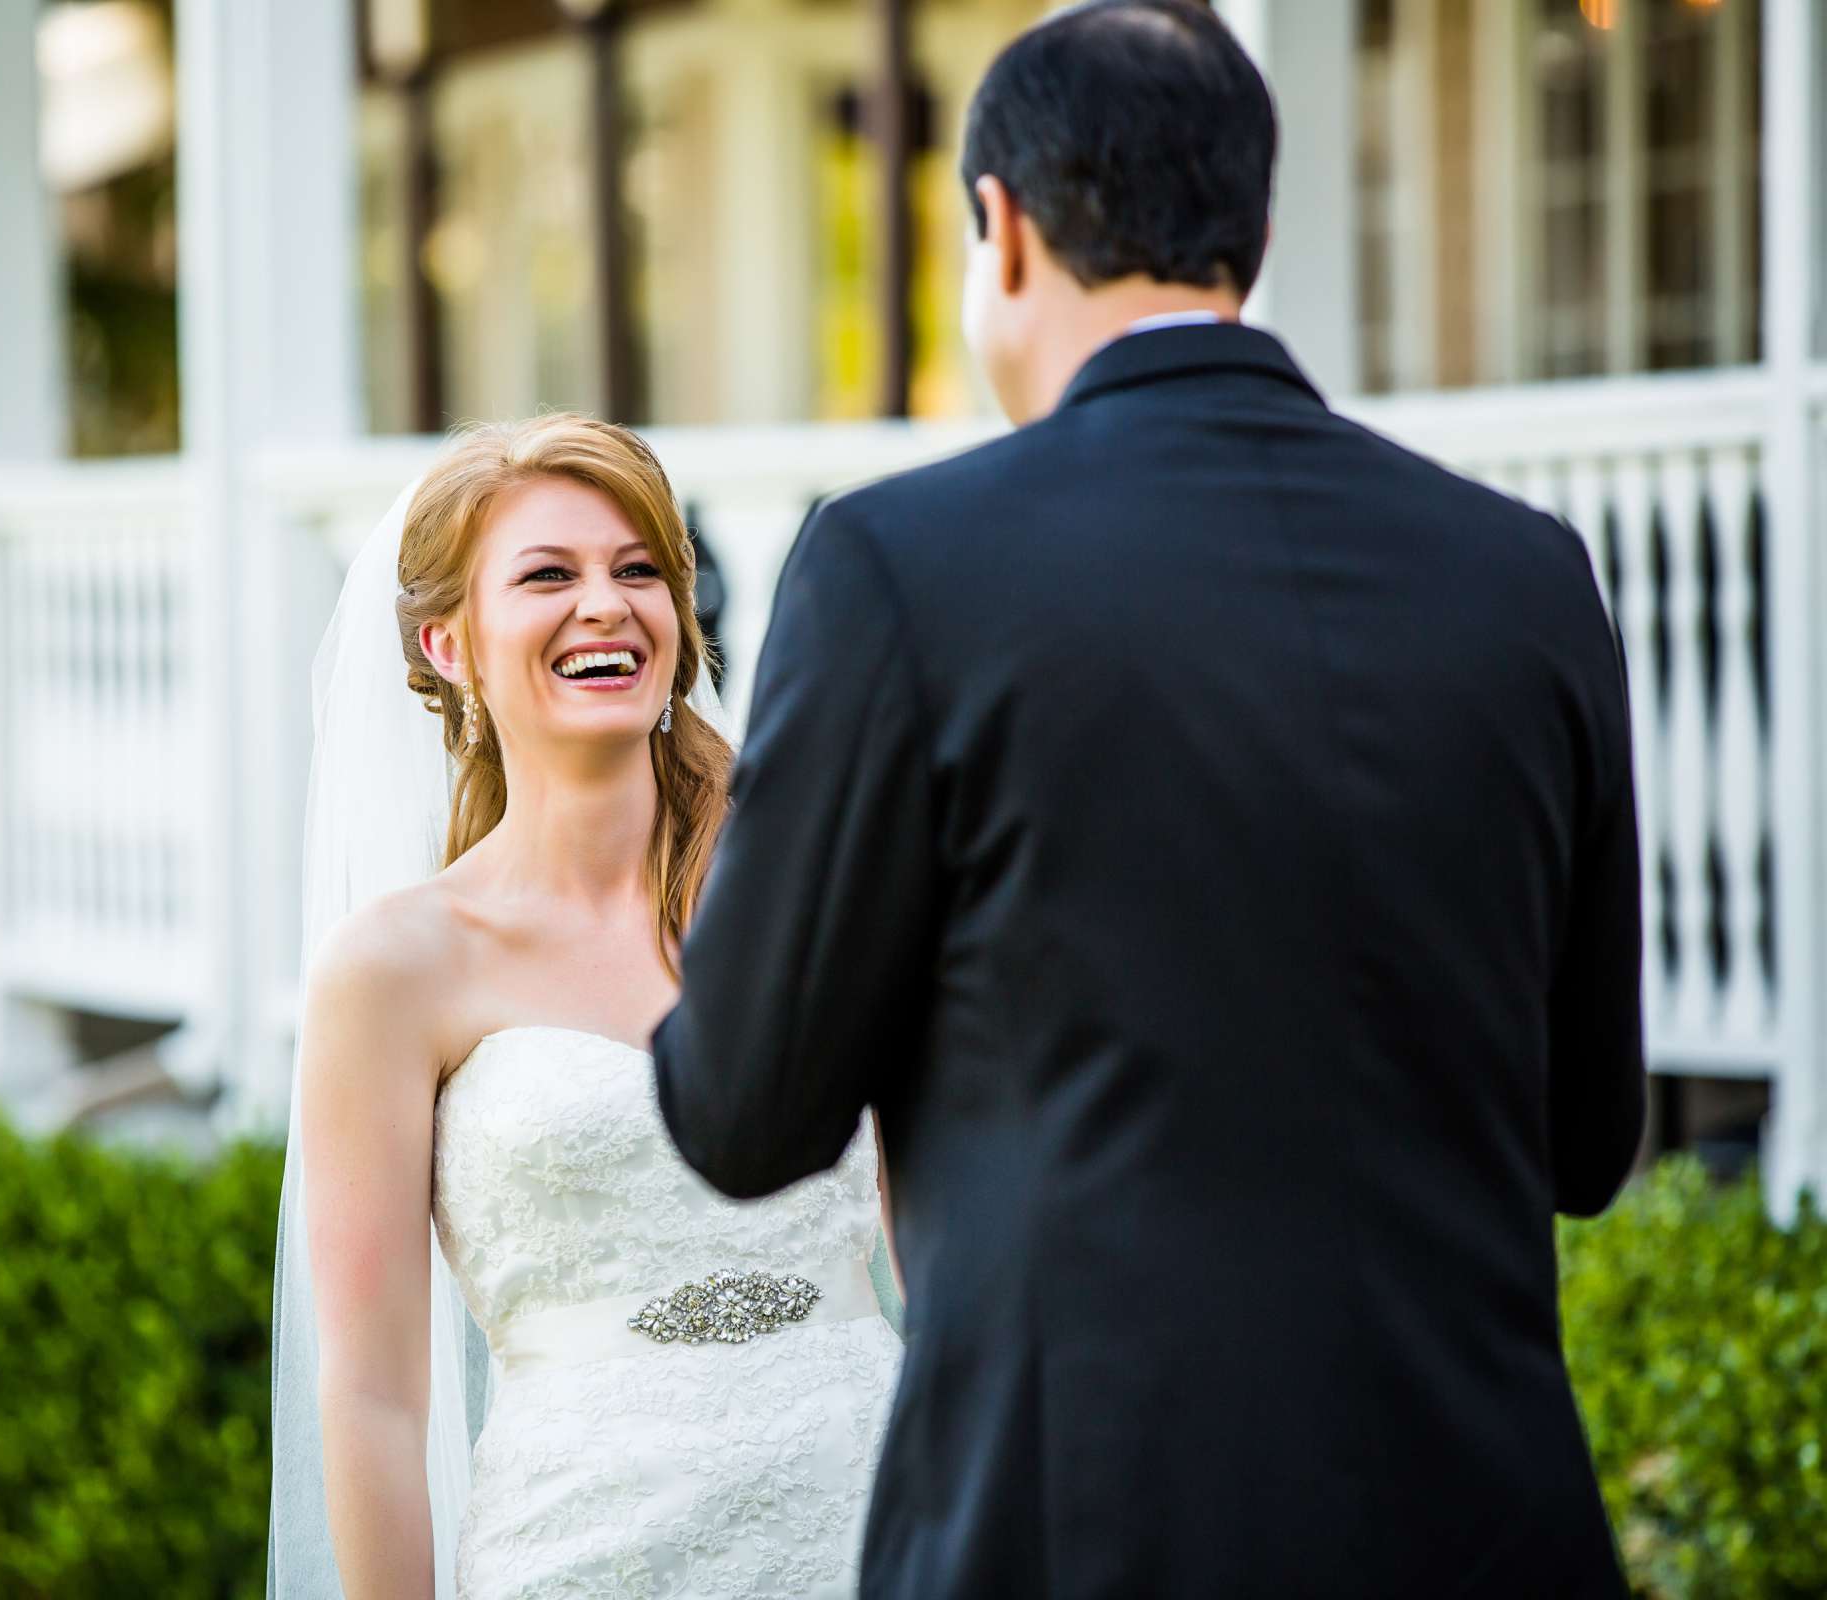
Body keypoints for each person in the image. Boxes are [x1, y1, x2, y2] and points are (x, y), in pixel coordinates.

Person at [650, 2, 1646, 1596]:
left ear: (1004, 228)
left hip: (1078, 1533)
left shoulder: (903, 568)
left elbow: (742, 1111)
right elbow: (1589, 1141)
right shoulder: (1528, 579)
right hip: (1484, 1531)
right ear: (1251, 231)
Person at [269, 414, 902, 1599]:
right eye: (550, 575)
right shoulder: (394, 971)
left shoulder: (816, 888)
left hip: (868, 1521)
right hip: (583, 1551)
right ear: (449, 644)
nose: (605, 603)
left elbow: (944, 1241)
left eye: (639, 570)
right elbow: (372, 1396)